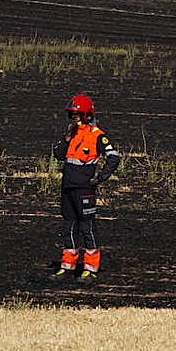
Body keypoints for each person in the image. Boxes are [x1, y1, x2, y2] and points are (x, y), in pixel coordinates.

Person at [51, 93, 121, 281]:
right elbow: (57, 154)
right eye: (71, 114)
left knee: (87, 228)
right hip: (67, 188)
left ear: (86, 114)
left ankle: (90, 269)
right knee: (69, 227)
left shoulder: (97, 135)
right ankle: (67, 267)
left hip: (85, 190)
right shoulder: (71, 134)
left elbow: (114, 157)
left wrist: (101, 177)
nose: (74, 117)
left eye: (77, 114)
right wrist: (66, 137)